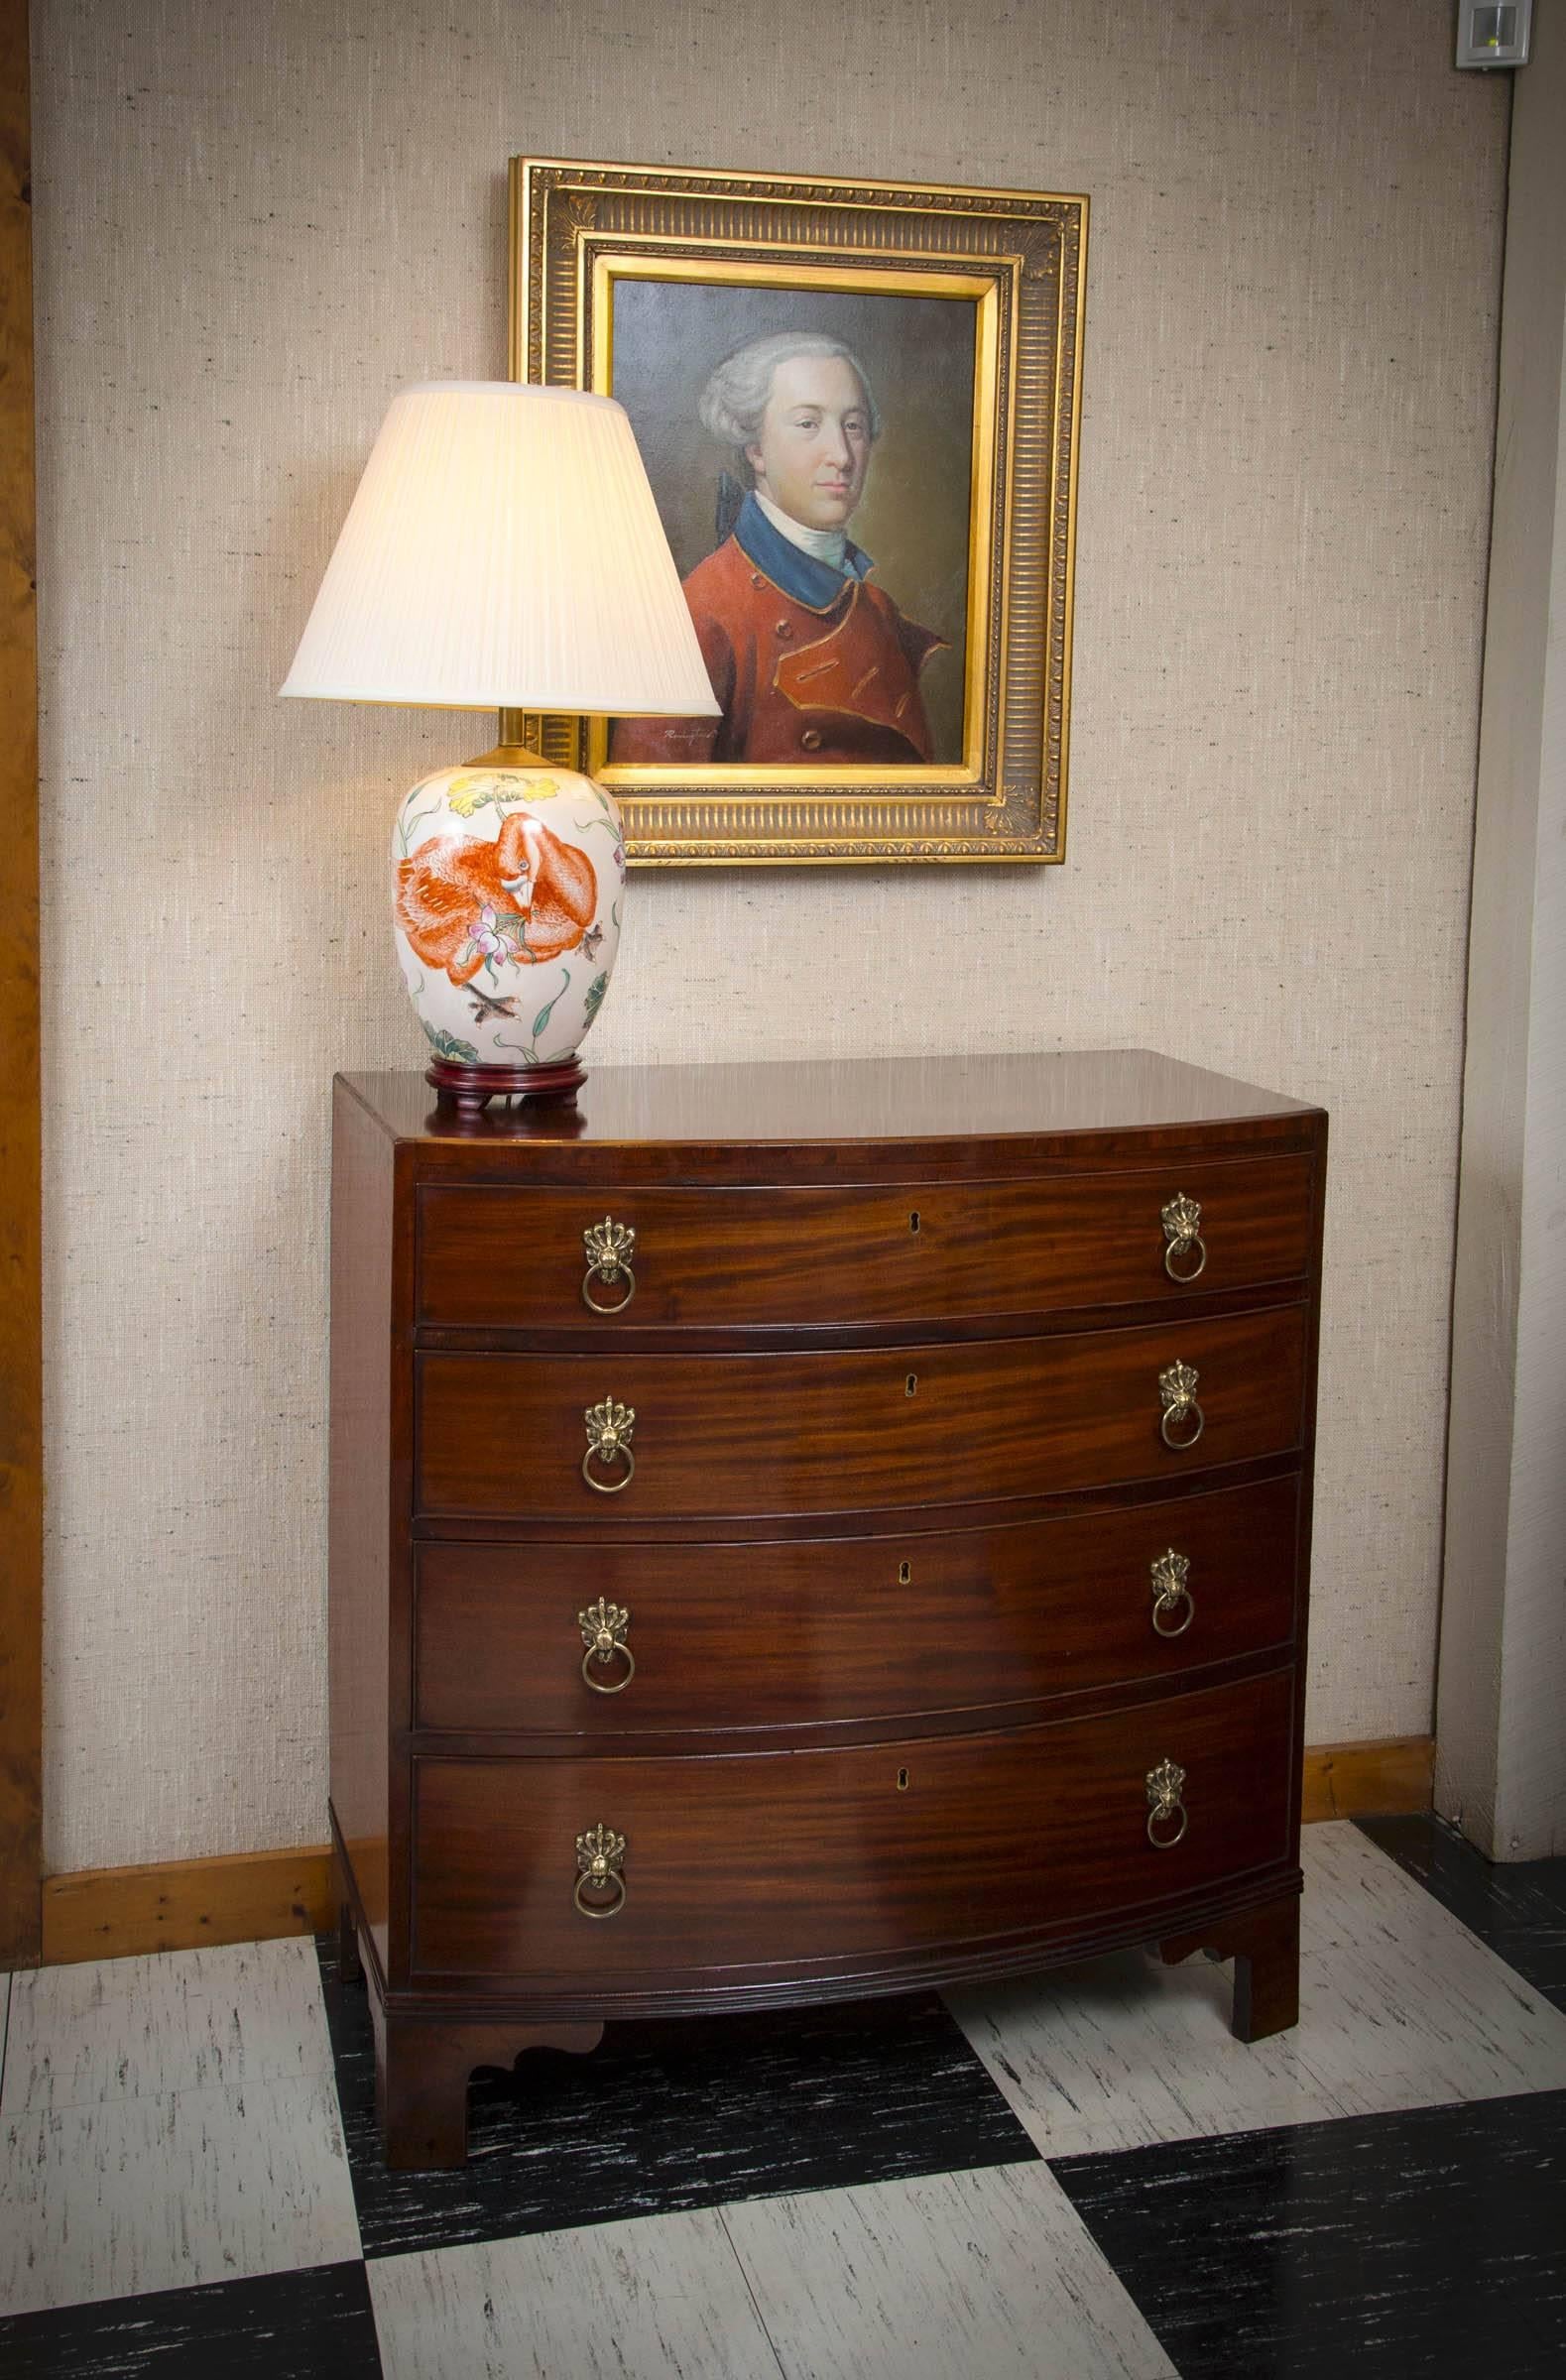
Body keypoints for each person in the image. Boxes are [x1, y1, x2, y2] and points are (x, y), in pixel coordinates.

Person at [611, 332, 946, 766]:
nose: (842, 456)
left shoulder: (878, 610)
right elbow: (658, 813)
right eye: (808, 424)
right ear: (756, 451)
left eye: (853, 426)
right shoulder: (702, 615)